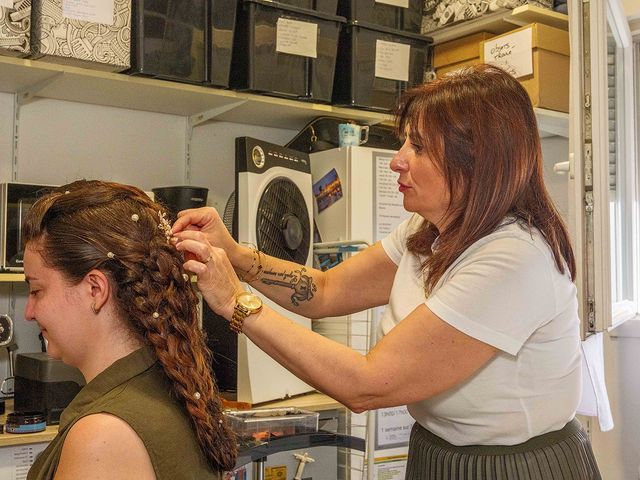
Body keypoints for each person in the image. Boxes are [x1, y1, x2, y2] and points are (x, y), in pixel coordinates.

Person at [173, 64, 601, 479]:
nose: (398, 161)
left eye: (418, 147)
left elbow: (367, 384)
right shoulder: (429, 227)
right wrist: (235, 254)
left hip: (516, 469)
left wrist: (234, 301)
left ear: (476, 164)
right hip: (437, 454)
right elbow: (325, 290)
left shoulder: (513, 257)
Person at [23, 180, 237, 480]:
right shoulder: (167, 385)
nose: (29, 312)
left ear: (95, 290)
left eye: (36, 290)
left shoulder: (102, 436)